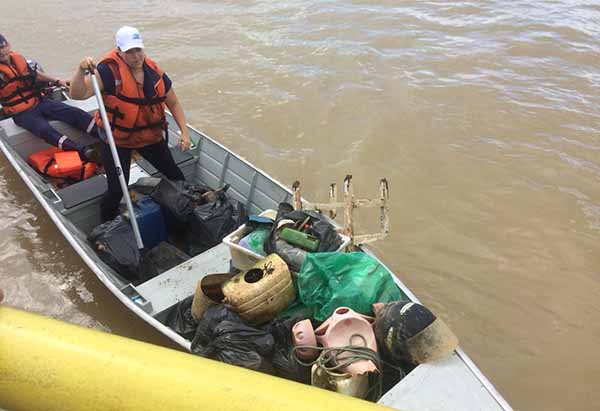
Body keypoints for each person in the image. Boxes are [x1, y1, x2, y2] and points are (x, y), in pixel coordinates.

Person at [70, 26, 191, 222]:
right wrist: (80, 70)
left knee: (177, 178)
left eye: (138, 50)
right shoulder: (108, 73)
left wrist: (184, 133)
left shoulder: (154, 72)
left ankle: (181, 214)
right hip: (118, 141)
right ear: (119, 51)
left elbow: (174, 102)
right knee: (117, 190)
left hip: (148, 137)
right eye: (129, 52)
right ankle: (106, 226)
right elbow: (78, 94)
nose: (136, 56)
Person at [0, 34, 101, 162]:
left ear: (8, 46)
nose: (1, 51)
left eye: (2, 47)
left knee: (75, 113)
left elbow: (35, 75)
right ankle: (83, 151)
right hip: (22, 113)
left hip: (40, 101)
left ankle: (104, 136)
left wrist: (58, 81)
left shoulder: (18, 60)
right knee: (44, 129)